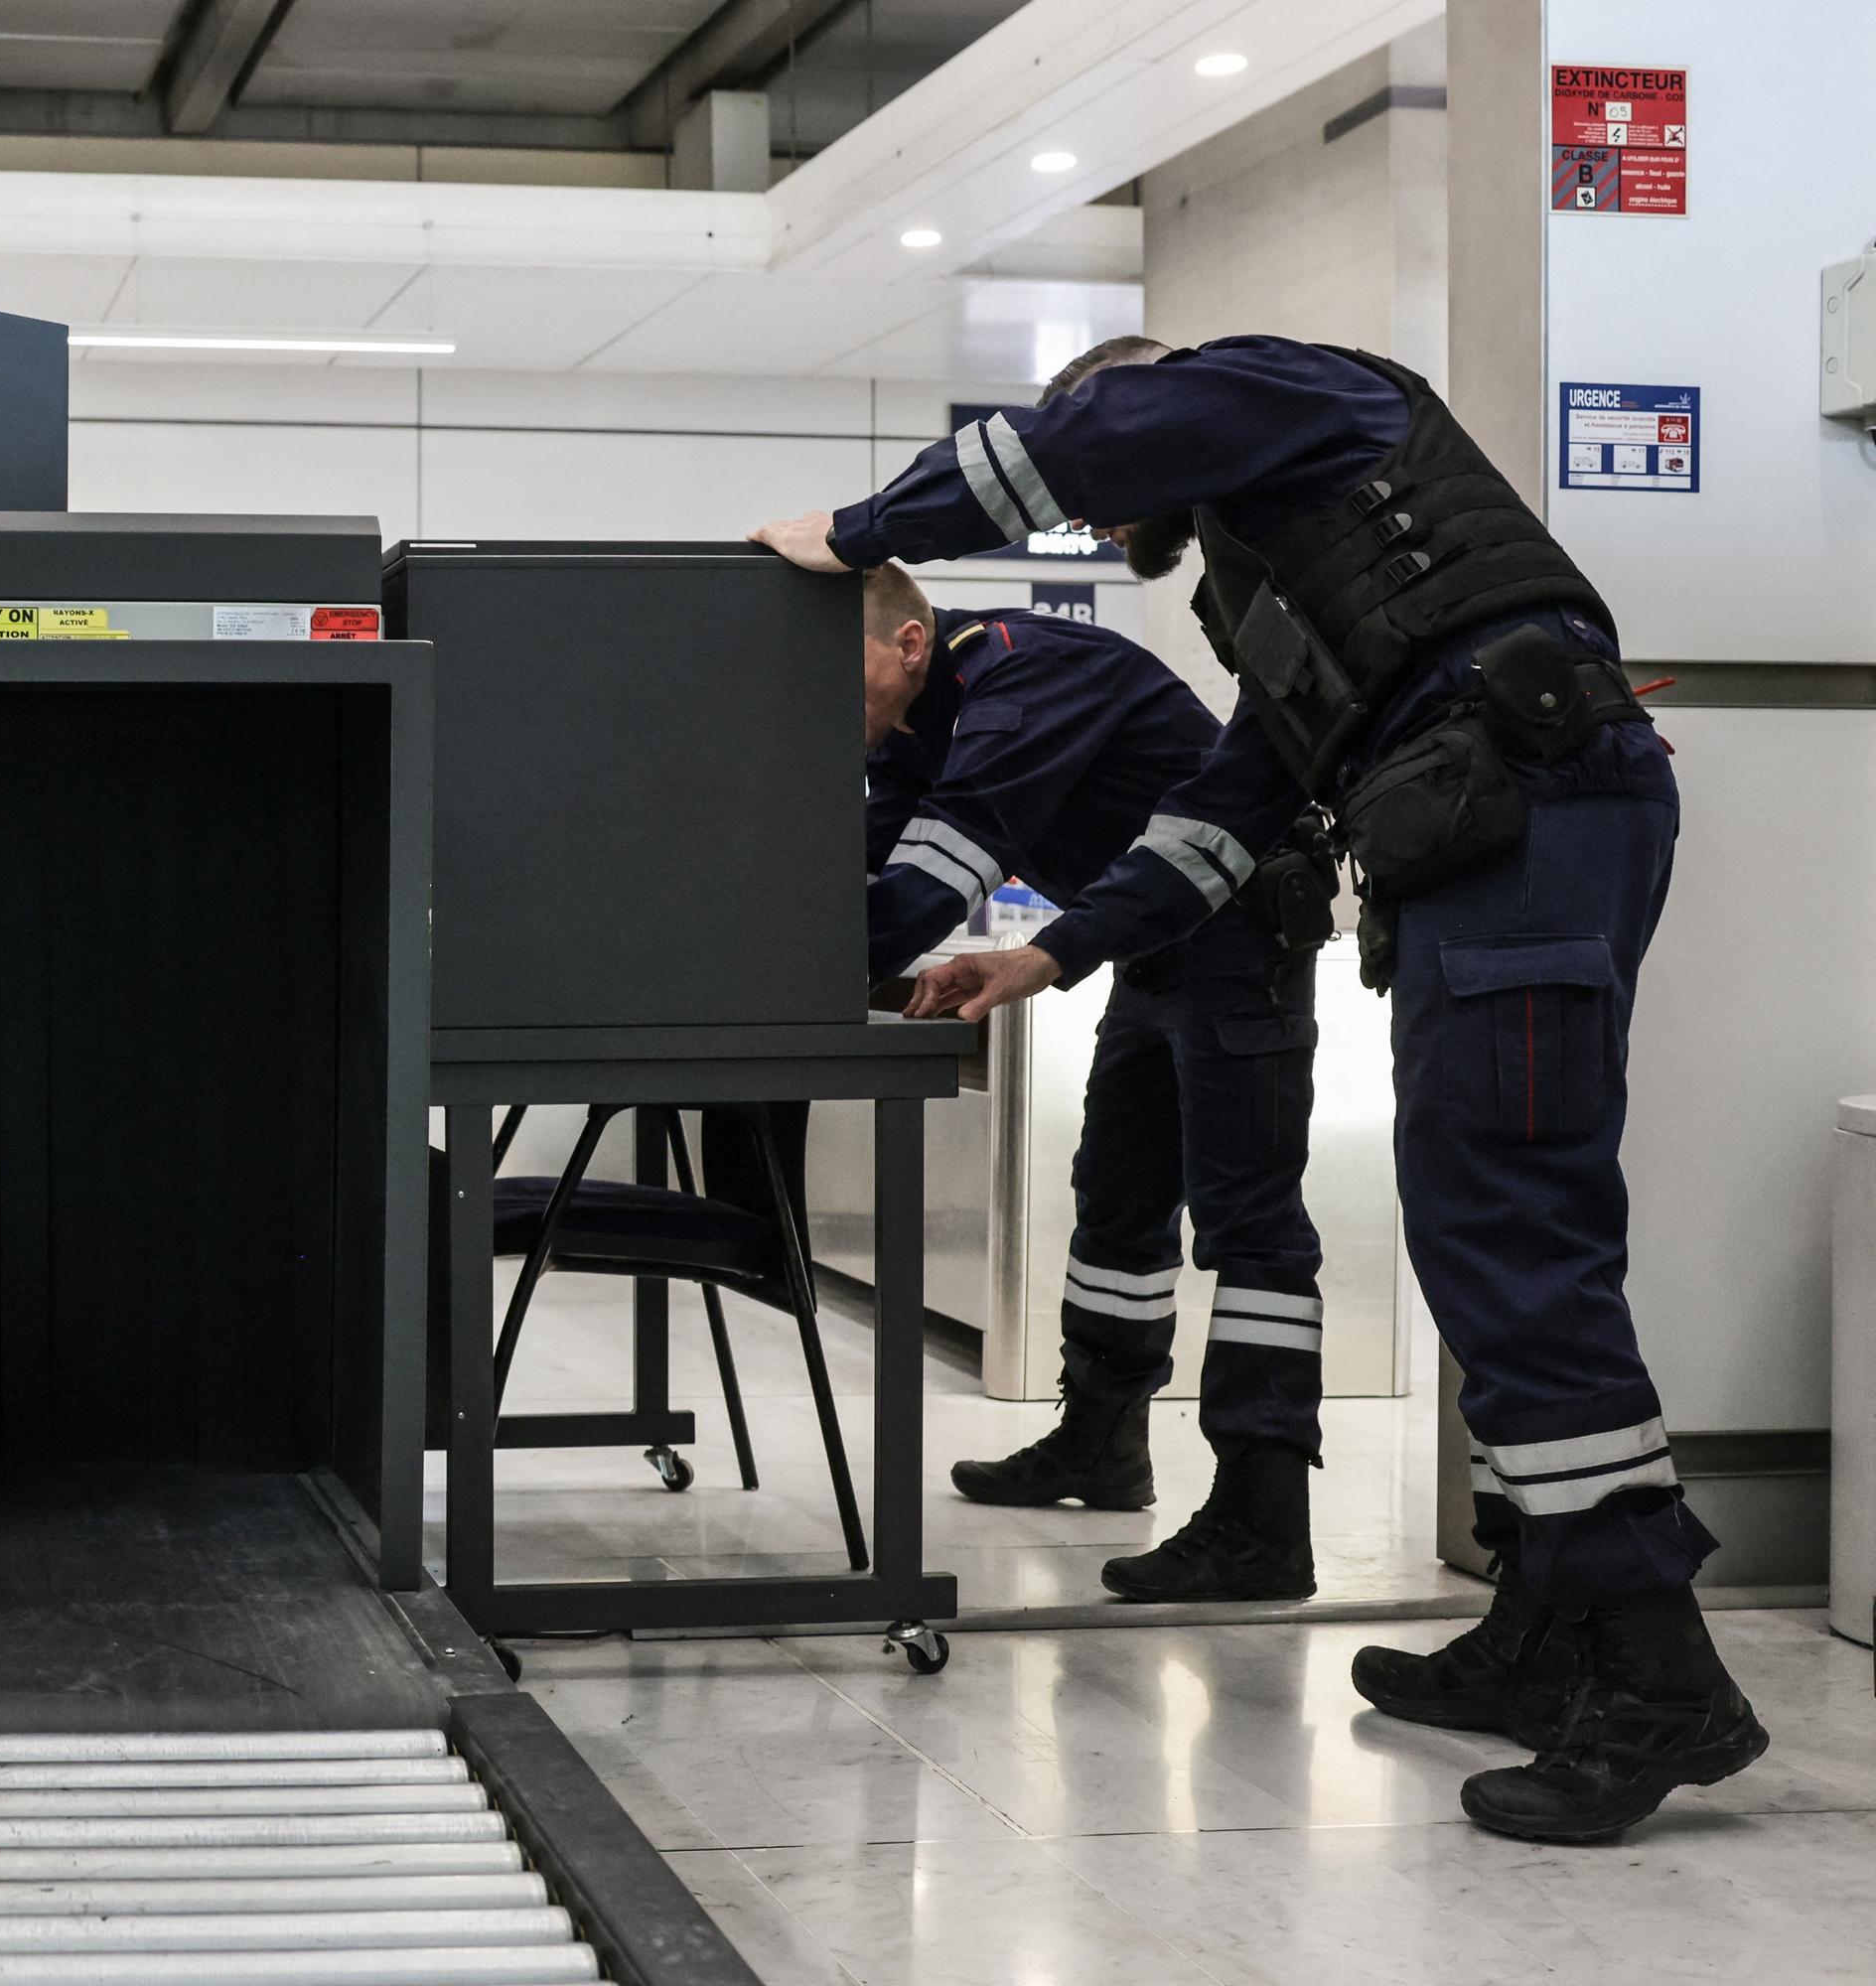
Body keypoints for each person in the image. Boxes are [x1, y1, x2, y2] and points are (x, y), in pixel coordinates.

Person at [753, 333, 1762, 1844]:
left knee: (1510, 1237)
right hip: (1479, 827)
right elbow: (1232, 805)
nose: (1098, 533)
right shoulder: (1276, 579)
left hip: (1526, 808)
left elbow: (1082, 447)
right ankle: (1548, 1625)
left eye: (1105, 488)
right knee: (1481, 1246)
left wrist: (855, 533)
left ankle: (1659, 1668)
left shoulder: (1289, 390)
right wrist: (1054, 957)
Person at [850, 560, 1334, 1603]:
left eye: (847, 687)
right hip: (1153, 943)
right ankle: (1101, 1446)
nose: (839, 717)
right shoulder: (921, 722)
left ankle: (1265, 1514)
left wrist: (769, 974)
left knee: (1249, 1226)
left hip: (1240, 936)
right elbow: (867, 859)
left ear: (910, 644)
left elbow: (924, 890)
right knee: (1117, 1204)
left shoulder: (1025, 679)